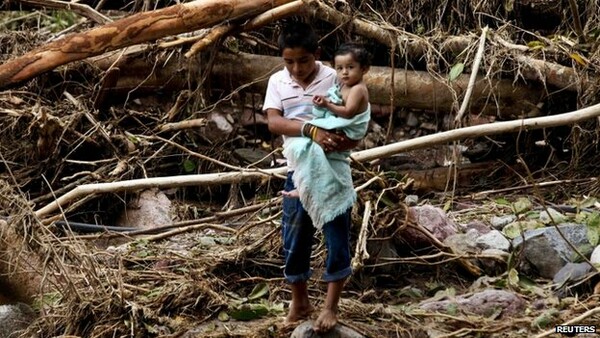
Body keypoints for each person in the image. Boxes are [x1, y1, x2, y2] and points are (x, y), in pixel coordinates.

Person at [263, 21, 368, 333]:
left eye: (304, 61)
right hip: (297, 171)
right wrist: (311, 129)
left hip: (333, 168)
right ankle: (300, 302)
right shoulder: (277, 82)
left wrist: (345, 141)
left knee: (336, 234)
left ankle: (331, 306)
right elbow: (274, 123)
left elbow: (357, 115)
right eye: (289, 61)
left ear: (317, 55)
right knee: (295, 237)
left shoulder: (336, 75)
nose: (296, 69)